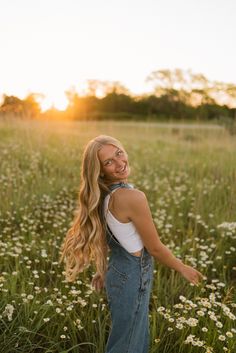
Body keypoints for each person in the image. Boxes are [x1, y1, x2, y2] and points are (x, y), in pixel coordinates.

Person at [60, 134, 203, 353]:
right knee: (128, 344)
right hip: (131, 273)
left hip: (117, 270)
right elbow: (154, 248)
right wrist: (182, 267)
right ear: (100, 170)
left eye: (119, 153)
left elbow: (108, 237)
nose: (119, 163)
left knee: (128, 334)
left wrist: (102, 270)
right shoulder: (132, 197)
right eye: (108, 162)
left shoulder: (103, 194)